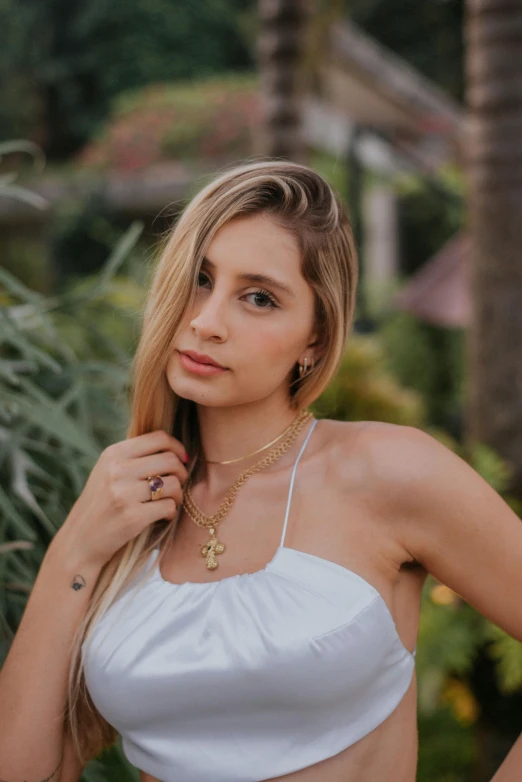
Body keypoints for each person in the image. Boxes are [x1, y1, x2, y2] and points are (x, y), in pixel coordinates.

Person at [2, 161, 522, 782]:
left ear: (316, 339)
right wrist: (73, 553)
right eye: (199, 279)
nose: (206, 321)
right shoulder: (132, 510)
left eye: (259, 298)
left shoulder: (387, 473)